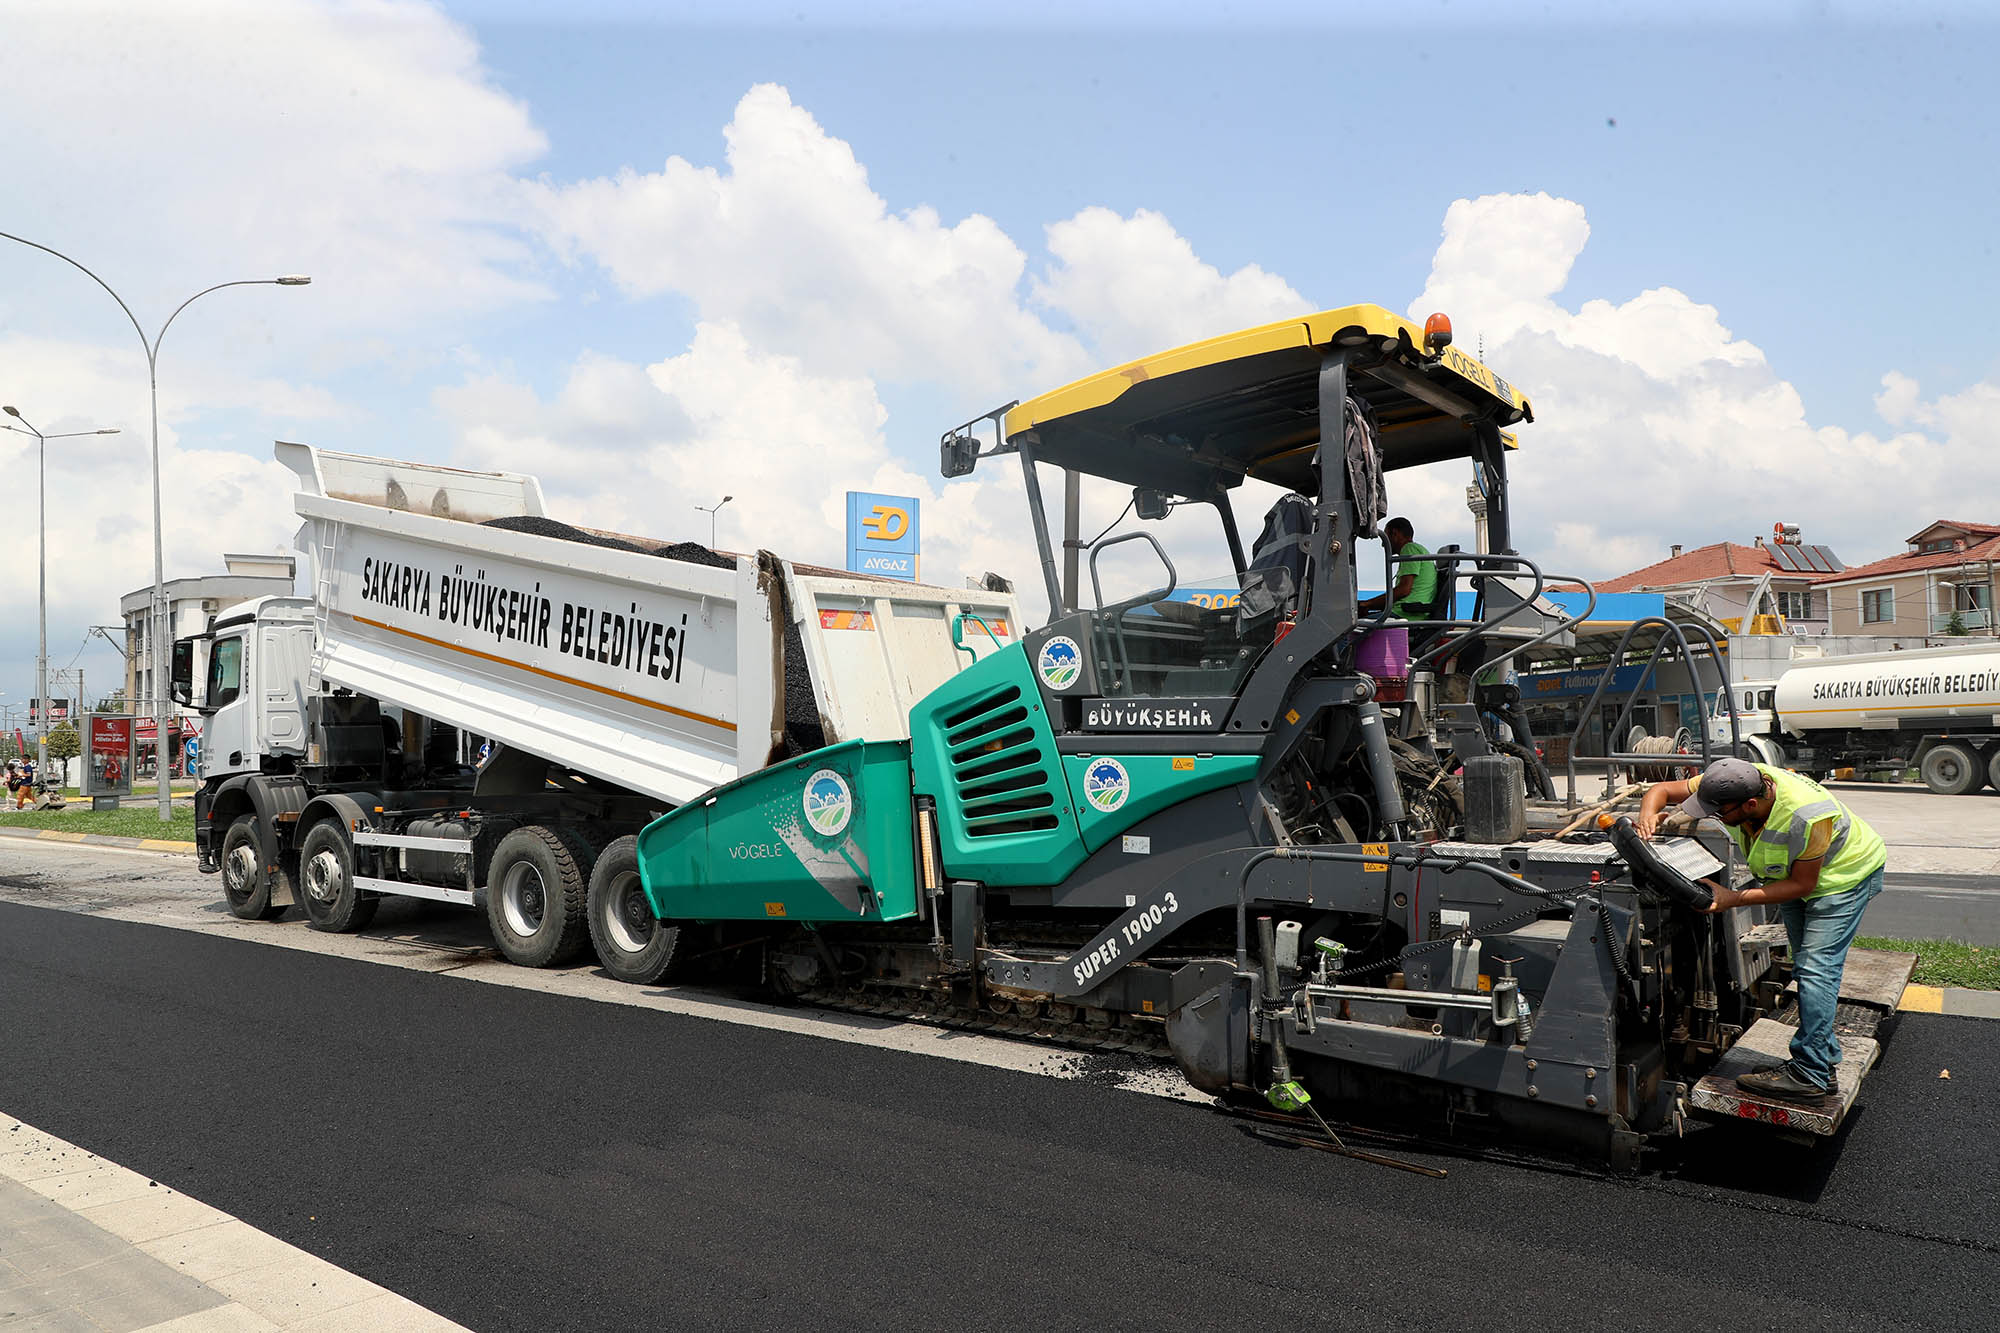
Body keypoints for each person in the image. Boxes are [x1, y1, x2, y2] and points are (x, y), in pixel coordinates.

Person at [1636, 756, 1887, 1104]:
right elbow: (1662, 789)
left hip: (1842, 879)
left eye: (1719, 812)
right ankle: (1822, 1058)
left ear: (1751, 804)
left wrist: (1731, 898)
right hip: (1795, 877)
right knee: (1808, 968)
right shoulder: (1735, 779)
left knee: (1817, 971)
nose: (1713, 816)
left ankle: (1810, 1074)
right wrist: (1648, 814)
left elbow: (1803, 884)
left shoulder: (1806, 816)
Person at [1359, 517, 1438, 620]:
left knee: (1356, 627)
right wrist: (1369, 605)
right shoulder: (1417, 550)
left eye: (1386, 538)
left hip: (1406, 614)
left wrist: (1367, 603)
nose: (1383, 545)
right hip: (1408, 612)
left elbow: (1403, 590)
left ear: (1395, 534)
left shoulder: (1409, 549)